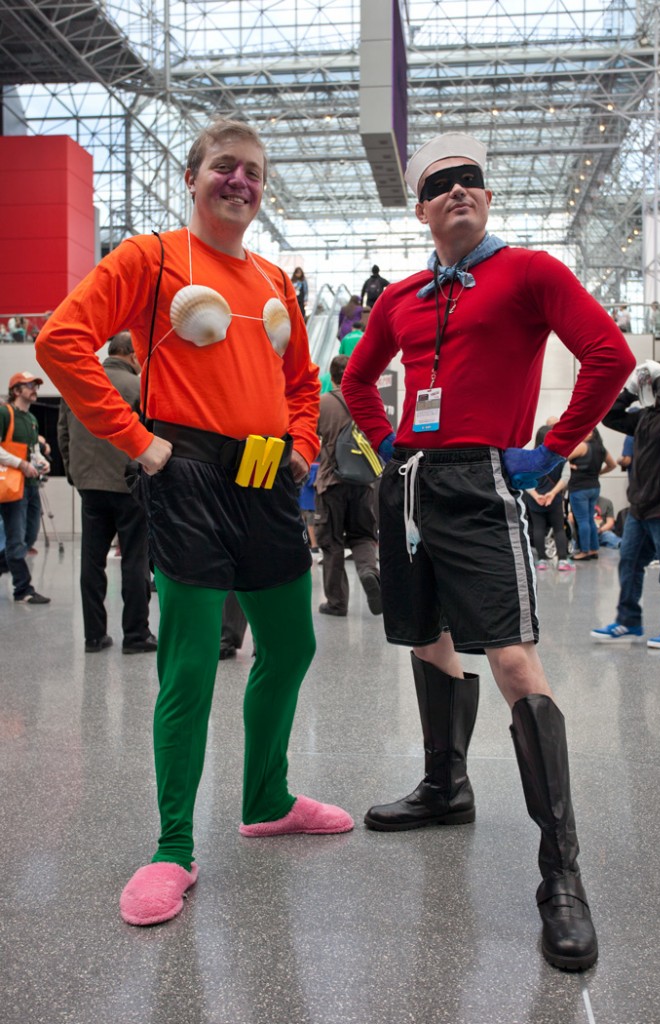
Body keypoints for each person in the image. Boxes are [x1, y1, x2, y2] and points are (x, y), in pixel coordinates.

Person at [36, 116, 353, 928]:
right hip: (187, 475)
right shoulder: (152, 258)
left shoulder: (277, 280)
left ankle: (268, 796)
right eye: (224, 166)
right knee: (188, 666)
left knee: (291, 643)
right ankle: (173, 845)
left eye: (252, 170)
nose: (239, 181)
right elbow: (62, 342)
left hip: (265, 477)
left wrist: (303, 443)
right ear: (192, 175)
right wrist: (142, 444)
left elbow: (301, 377)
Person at [342, 130, 635, 971]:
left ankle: (562, 875)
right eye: (441, 185)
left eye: (470, 180)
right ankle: (446, 784)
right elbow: (358, 382)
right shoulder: (400, 296)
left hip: (481, 482)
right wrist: (385, 446)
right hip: (409, 484)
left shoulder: (531, 272)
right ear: (423, 208)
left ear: (488, 197)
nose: (458, 192)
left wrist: (554, 445)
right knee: (426, 636)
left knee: (510, 657)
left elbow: (609, 355)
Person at [57, 331, 157, 654]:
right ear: (130, 354)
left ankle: (94, 636)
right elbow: (152, 433)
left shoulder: (79, 383)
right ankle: (136, 635)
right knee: (134, 560)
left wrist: (75, 472)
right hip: (129, 485)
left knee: (91, 560)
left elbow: (62, 432)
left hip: (90, 485)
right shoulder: (138, 388)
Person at [591, 360, 660, 649]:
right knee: (629, 563)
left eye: (650, 382)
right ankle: (629, 620)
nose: (648, 387)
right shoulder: (644, 417)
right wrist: (630, 388)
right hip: (640, 510)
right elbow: (610, 416)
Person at [314, 354, 382, 618]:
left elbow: (311, 438)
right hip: (364, 483)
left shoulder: (323, 403)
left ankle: (337, 602)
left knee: (331, 543)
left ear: (332, 377)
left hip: (331, 483)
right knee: (364, 535)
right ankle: (368, 572)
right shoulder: (369, 400)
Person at [0, 372, 51, 604]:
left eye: (35, 385)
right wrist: (21, 464)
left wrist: (41, 461)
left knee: (28, 536)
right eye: (29, 385)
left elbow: (34, 451)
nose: (34, 389)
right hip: (13, 485)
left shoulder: (31, 419)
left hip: (31, 484)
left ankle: (8, 568)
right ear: (16, 390)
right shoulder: (4, 413)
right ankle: (23, 589)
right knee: (16, 538)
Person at [523, 418, 574, 571]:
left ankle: (542, 561)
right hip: (555, 499)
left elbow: (524, 479)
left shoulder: (529, 457)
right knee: (559, 528)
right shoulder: (560, 457)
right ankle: (563, 561)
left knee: (538, 528)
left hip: (535, 500)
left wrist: (536, 495)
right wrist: (552, 493)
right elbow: (565, 477)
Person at [567, 428, 616, 560]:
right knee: (589, 520)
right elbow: (613, 465)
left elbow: (562, 457)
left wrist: (570, 466)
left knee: (582, 520)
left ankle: (585, 551)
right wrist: (599, 473)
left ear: (593, 434)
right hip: (594, 487)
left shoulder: (582, 446)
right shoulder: (601, 449)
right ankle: (594, 549)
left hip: (579, 488)